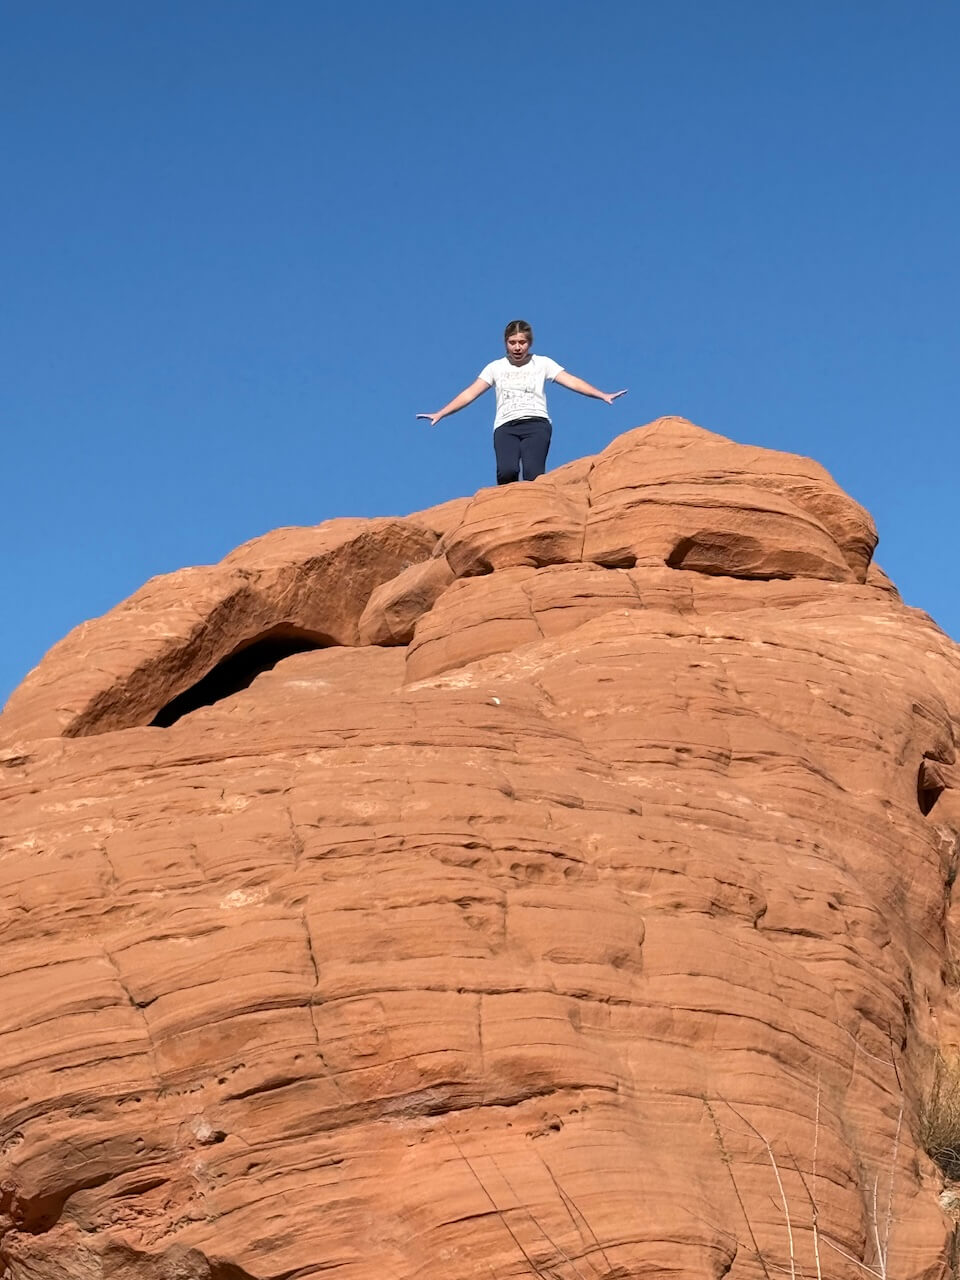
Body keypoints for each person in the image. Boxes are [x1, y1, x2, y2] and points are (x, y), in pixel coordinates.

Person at [417, 320, 627, 485]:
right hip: (505, 427)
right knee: (507, 471)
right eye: (513, 342)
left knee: (533, 474)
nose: (517, 347)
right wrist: (441, 413)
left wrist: (601, 394)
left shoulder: (542, 363)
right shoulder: (495, 368)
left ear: (530, 343)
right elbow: (470, 393)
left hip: (536, 424)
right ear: (505, 343)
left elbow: (571, 380)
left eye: (522, 342)